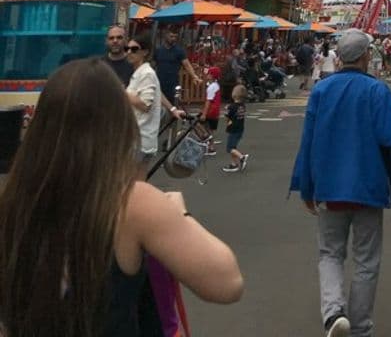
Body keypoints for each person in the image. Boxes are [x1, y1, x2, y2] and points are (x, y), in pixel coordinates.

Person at [0, 57, 243, 336]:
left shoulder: (15, 202)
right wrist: (180, 215)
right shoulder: (133, 203)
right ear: (119, 124)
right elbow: (227, 283)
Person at [290, 28, 391, 337]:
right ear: (364, 56)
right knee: (366, 261)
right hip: (368, 187)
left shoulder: (321, 90)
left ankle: (334, 312)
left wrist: (306, 186)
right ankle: (360, 327)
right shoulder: (377, 91)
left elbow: (307, 142)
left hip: (330, 189)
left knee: (330, 254)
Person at [125, 31, 164, 179]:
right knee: (137, 184)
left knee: (131, 184)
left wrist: (122, 92)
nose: (129, 52)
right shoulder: (140, 73)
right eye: (127, 49)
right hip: (138, 138)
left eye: (134, 49)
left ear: (145, 52)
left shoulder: (146, 74)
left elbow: (145, 104)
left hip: (140, 139)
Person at [154, 27, 201, 105]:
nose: (173, 39)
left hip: (175, 85)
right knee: (158, 105)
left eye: (175, 37)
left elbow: (187, 64)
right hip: (160, 84)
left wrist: (194, 76)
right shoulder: (158, 50)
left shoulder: (179, 51)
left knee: (175, 105)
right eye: (171, 36)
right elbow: (153, 65)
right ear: (166, 36)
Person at [223, 84, 249, 173]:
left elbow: (227, 116)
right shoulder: (242, 106)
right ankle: (234, 164)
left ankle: (242, 157)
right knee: (233, 147)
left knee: (229, 148)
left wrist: (226, 110)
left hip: (233, 129)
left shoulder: (232, 106)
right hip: (240, 128)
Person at [200, 65, 222, 156]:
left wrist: (204, 114)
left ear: (212, 75)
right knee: (209, 129)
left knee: (201, 125)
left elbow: (208, 102)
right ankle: (210, 145)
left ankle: (208, 141)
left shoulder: (211, 87)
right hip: (215, 110)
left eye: (209, 73)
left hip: (211, 111)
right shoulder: (215, 85)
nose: (207, 74)